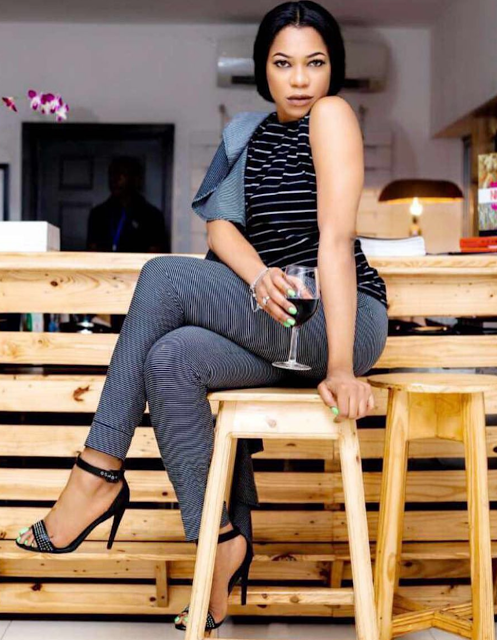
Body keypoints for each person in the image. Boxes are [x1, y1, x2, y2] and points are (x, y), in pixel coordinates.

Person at [16, 0, 389, 632]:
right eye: (284, 63)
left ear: (335, 68)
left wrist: (342, 366)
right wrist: (259, 275)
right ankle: (221, 545)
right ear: (263, 68)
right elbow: (220, 229)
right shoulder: (246, 134)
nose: (301, 79)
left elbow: (334, 240)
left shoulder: (332, 117)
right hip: (277, 316)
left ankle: (98, 472)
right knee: (170, 359)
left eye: (316, 62)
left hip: (335, 316)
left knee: (162, 277)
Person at [86, 156, 167, 253]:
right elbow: (91, 252)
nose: (115, 180)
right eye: (112, 174)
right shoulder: (98, 214)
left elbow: (155, 255)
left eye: (122, 174)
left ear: (136, 179)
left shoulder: (152, 216)